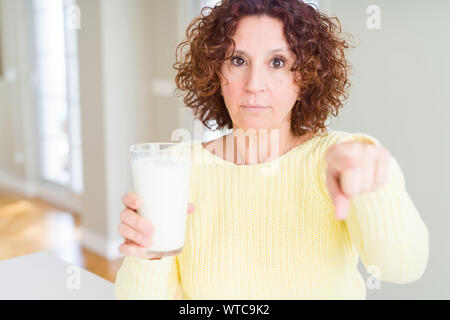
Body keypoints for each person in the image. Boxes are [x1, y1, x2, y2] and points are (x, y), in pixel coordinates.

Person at [114, 0, 429, 299]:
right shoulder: (177, 167)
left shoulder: (338, 157)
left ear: (305, 76)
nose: (254, 84)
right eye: (238, 60)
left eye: (277, 62)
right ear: (216, 72)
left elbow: (403, 267)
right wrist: (149, 254)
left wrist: (372, 185)